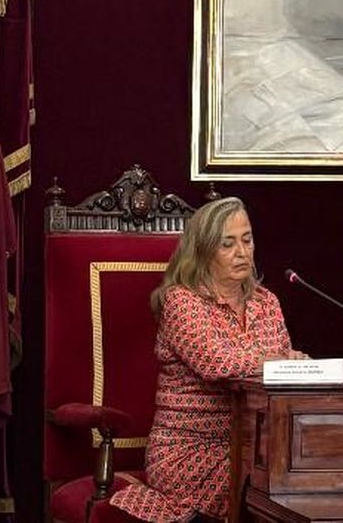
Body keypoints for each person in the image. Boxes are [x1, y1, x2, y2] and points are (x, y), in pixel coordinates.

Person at [111, 197, 306, 523]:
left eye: (247, 240)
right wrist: (278, 360)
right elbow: (215, 362)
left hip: (258, 448)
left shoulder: (266, 301)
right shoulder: (182, 301)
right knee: (272, 479)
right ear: (202, 251)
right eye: (227, 244)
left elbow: (282, 372)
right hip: (189, 452)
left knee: (302, 471)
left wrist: (297, 365)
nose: (242, 253)